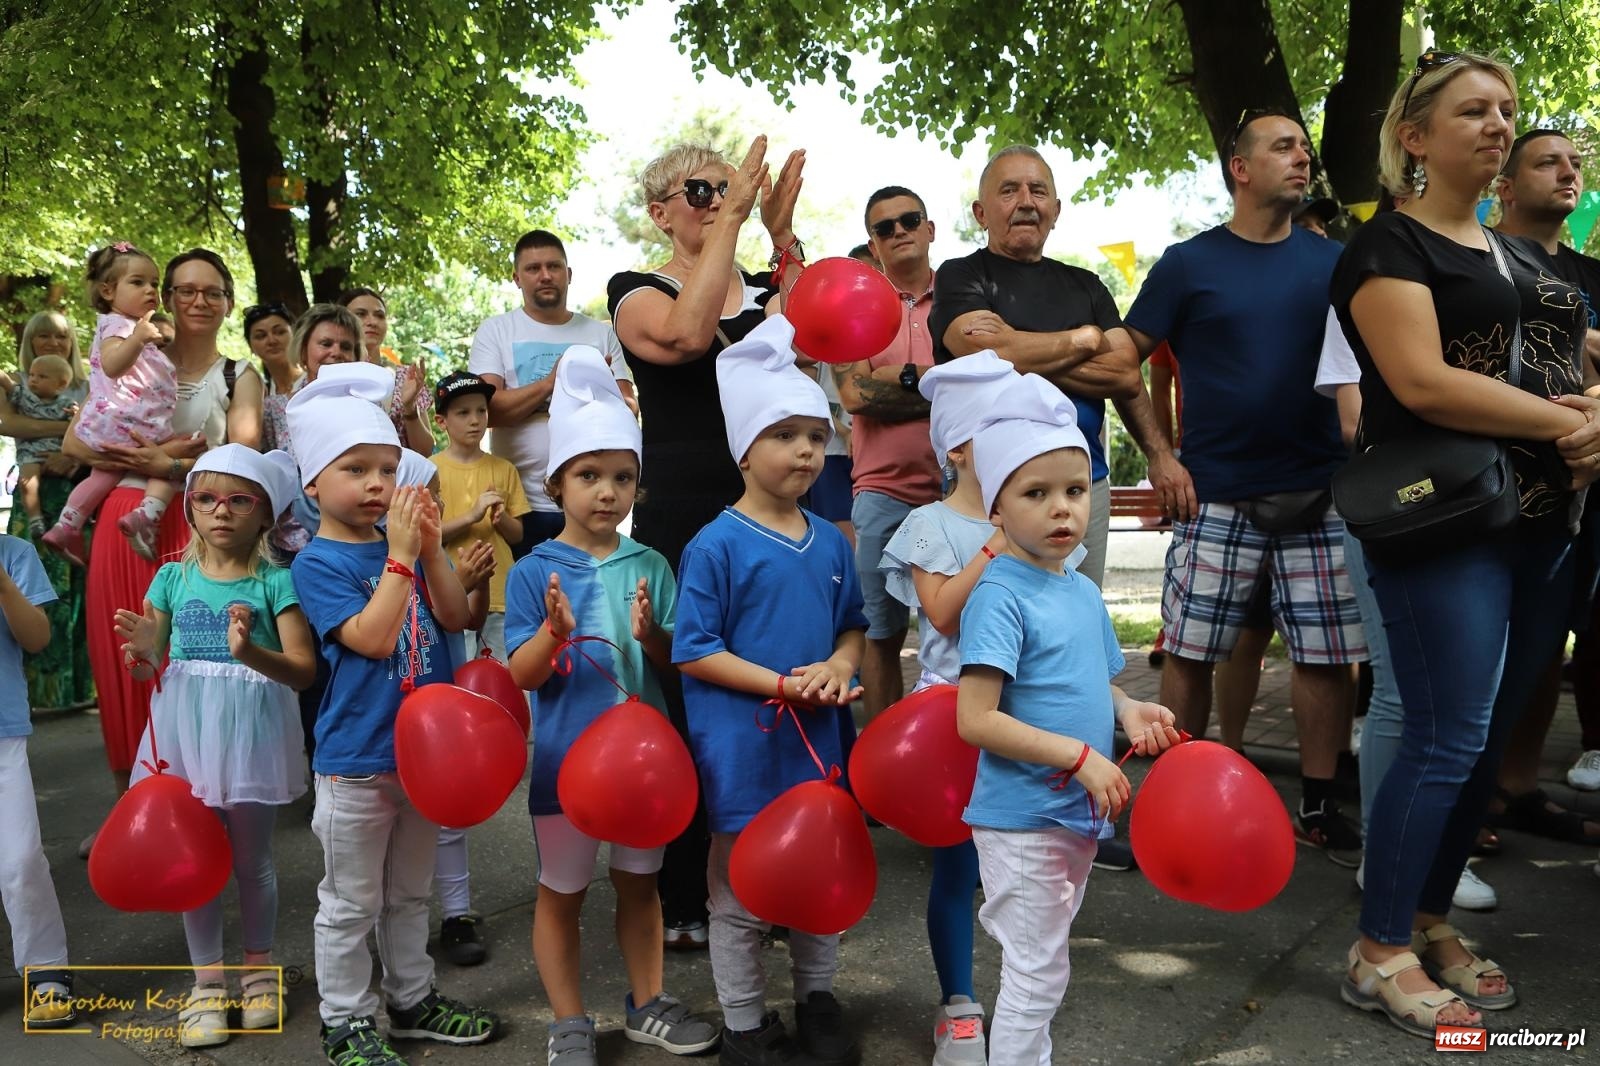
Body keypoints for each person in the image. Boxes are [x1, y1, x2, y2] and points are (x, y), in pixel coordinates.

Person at [1331, 52, 1599, 1038]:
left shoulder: (1524, 257)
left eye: (1507, 110)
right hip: (1444, 522)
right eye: (1474, 110)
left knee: (1485, 741)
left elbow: (1574, 359)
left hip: (1547, 524)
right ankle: (1376, 951)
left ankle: (1426, 919)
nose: (1499, 125)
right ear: (1415, 138)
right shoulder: (1387, 246)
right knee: (1443, 738)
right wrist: (1565, 423)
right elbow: (1423, 382)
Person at [1123, 111, 1366, 866]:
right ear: (1240, 167)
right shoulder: (1187, 263)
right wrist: (1160, 456)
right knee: (1189, 653)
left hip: (1321, 493)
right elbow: (1122, 360)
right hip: (1215, 495)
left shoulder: (1337, 263)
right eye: (1283, 147)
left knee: (1326, 656)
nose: (1302, 158)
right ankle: (1174, 802)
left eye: (1305, 147)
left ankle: (1319, 805)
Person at [609, 136, 806, 950]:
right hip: (684, 514)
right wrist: (734, 223)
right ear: (661, 213)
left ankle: (777, 879)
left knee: (776, 684)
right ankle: (687, 893)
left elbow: (814, 340)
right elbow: (687, 337)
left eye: (729, 191)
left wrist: (782, 235)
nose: (721, 204)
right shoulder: (636, 290)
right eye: (701, 192)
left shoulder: (760, 289)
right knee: (691, 699)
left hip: (770, 508)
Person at [954, 371, 1179, 1066]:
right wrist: (1080, 757)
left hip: (1071, 813)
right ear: (996, 507)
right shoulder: (999, 594)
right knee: (1036, 971)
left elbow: (1093, 681)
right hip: (1023, 816)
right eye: (1036, 493)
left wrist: (1129, 708)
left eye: (1075, 491)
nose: (1062, 509)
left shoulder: (1078, 588)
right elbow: (975, 719)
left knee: (1044, 963)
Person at [506, 348, 720, 1065]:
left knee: (640, 884)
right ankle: (568, 1021)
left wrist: (652, 633)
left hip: (644, 769)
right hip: (564, 767)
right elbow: (523, 674)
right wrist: (551, 633)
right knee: (561, 891)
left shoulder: (652, 564)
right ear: (555, 482)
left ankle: (646, 1003)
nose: (608, 492)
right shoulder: (534, 571)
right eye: (589, 476)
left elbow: (675, 661)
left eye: (623, 477)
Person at [286, 363, 498, 1065]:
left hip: (422, 760)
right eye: (355, 469)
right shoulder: (317, 563)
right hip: (357, 759)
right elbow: (373, 639)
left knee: (409, 894)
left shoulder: (401, 547)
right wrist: (403, 557)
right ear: (314, 484)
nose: (377, 484)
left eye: (387, 468)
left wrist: (431, 550)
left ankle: (411, 1000)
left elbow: (451, 616)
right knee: (351, 902)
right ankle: (345, 1020)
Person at [673, 316, 865, 1066]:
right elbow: (695, 650)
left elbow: (851, 628)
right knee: (740, 895)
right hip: (743, 753)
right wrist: (785, 684)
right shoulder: (715, 544)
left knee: (820, 877)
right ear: (744, 450)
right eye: (785, 435)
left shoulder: (831, 541)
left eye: (816, 435)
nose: (807, 451)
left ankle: (817, 998)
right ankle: (745, 1025)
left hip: (817, 748)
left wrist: (841, 666)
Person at [881, 351, 1082, 1066]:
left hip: (1026, 717)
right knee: (959, 868)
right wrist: (996, 546)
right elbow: (940, 615)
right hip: (954, 720)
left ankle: (1026, 993)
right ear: (960, 449)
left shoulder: (1041, 515)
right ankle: (960, 1004)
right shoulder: (931, 524)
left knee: (1031, 866)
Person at [66, 247, 263, 859]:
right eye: (185, 289)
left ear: (227, 302)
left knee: (190, 663)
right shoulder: (124, 353)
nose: (198, 301)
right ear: (165, 297)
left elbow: (244, 459)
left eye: (213, 291)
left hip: (194, 527)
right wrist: (144, 458)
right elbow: (74, 441)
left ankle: (198, 809)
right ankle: (129, 807)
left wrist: (169, 466)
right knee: (122, 658)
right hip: (123, 518)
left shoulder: (239, 375)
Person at [114, 446, 312, 1048]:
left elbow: (303, 671)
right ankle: (206, 984)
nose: (220, 511)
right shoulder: (171, 578)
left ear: (265, 513)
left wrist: (249, 652)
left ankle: (257, 971)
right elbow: (151, 668)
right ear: (190, 509)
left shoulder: (276, 581)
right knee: (192, 859)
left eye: (238, 500)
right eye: (206, 498)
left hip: (251, 734)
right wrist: (143, 653)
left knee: (251, 858)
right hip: (185, 733)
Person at [930, 144, 1188, 587]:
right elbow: (975, 350)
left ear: (1056, 209)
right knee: (989, 616)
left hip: (1083, 487)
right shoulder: (960, 276)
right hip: (987, 493)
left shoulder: (1087, 285)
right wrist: (1083, 339)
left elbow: (1125, 373)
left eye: (1038, 190)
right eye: (1009, 190)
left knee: (1077, 614)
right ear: (980, 212)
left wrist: (1012, 348)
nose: (1026, 202)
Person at [1484, 127, 1600, 841]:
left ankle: (1518, 787)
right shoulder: (1479, 260)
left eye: (1575, 163)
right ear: (1504, 185)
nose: (1568, 172)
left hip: (1580, 494)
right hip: (1489, 489)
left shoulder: (1592, 274)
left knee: (1546, 644)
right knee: (1485, 655)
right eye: (1548, 162)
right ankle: (1467, 804)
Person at [828, 186, 943, 722]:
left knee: (957, 632)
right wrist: (936, 384)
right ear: (873, 244)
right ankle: (880, 752)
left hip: (958, 492)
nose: (898, 231)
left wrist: (897, 379)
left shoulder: (963, 298)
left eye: (909, 220)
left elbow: (979, 384)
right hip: (881, 493)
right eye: (884, 227)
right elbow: (855, 396)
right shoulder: (856, 309)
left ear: (929, 229)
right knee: (881, 634)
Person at [469, 230, 637, 556]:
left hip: (591, 501)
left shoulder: (599, 334)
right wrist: (553, 382)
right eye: (533, 268)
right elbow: (488, 411)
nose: (545, 276)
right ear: (517, 278)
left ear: (568, 274)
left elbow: (628, 408)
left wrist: (541, 400)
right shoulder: (496, 330)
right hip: (516, 505)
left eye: (554, 266)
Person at [41, 243, 180, 564]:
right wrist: (139, 338)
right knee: (175, 459)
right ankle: (147, 515)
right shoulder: (121, 325)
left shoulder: (126, 325)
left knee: (103, 474)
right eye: (138, 282)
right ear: (108, 290)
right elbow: (112, 364)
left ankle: (67, 525)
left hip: (116, 424)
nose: (150, 290)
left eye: (154, 283)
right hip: (134, 422)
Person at [0, 531, 76, 1031]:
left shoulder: (14, 554)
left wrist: (2, 583)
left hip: (3, 731)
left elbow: (37, 638)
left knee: (20, 857)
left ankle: (46, 968)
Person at [0, 311, 93, 713]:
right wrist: (70, 432)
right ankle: (37, 693)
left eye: (61, 336)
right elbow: (8, 424)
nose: (53, 343)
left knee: (77, 587)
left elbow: (101, 435)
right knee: (29, 587)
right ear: (30, 342)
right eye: (43, 337)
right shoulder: (18, 382)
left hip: (77, 495)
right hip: (33, 496)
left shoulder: (89, 383)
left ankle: (79, 691)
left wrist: (72, 455)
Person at [430, 371, 528, 661]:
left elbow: (518, 535)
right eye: (463, 413)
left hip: (499, 595)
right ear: (441, 421)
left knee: (499, 676)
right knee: (456, 676)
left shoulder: (504, 468)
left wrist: (501, 519)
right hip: (452, 594)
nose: (475, 420)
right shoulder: (430, 470)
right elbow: (428, 537)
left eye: (481, 411)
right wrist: (472, 516)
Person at [338, 288, 433, 455]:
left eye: (379, 315)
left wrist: (409, 409)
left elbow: (425, 451)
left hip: (401, 470)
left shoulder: (406, 377)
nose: (372, 321)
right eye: (360, 314)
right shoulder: (331, 376)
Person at [8, 355, 79, 538]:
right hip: (32, 451)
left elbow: (80, 428)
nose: (33, 379)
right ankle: (35, 518)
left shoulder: (67, 404)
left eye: (42, 376)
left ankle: (73, 519)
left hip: (59, 452)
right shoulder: (26, 398)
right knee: (27, 481)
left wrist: (76, 416)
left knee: (77, 482)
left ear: (61, 384)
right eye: (32, 375)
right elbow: (9, 385)